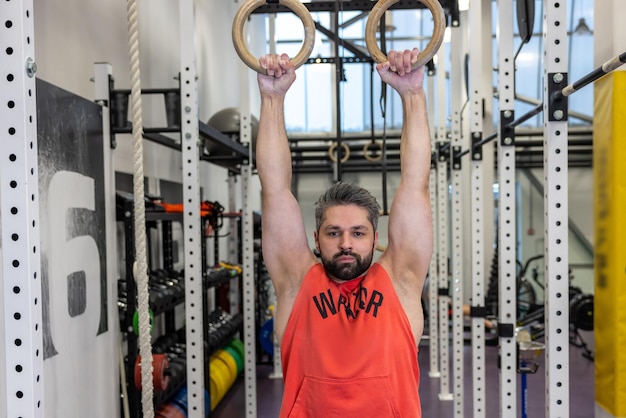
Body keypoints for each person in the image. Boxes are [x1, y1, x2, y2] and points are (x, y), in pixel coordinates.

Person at [255, 48, 433, 418]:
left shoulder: (400, 282)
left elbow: (416, 184)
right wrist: (273, 98)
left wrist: (413, 94)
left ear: (375, 236)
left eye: (358, 232)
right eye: (334, 233)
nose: (346, 243)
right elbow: (274, 188)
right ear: (316, 237)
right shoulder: (296, 283)